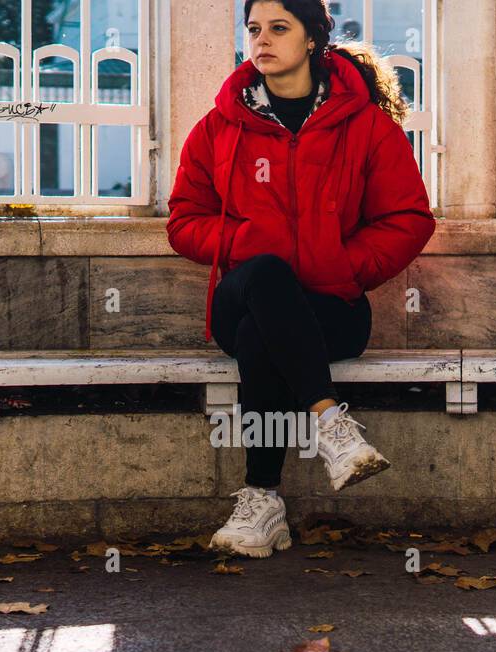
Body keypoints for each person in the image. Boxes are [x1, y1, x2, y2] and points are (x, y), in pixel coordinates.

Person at [166, 0, 436, 558]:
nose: (261, 40)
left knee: (260, 340)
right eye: (254, 29)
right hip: (240, 297)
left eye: (278, 28)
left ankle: (261, 502)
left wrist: (344, 264)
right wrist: (243, 244)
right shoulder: (220, 127)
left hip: (332, 307)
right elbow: (184, 219)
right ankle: (332, 425)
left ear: (313, 39)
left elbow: (408, 218)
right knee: (265, 274)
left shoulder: (366, 129)